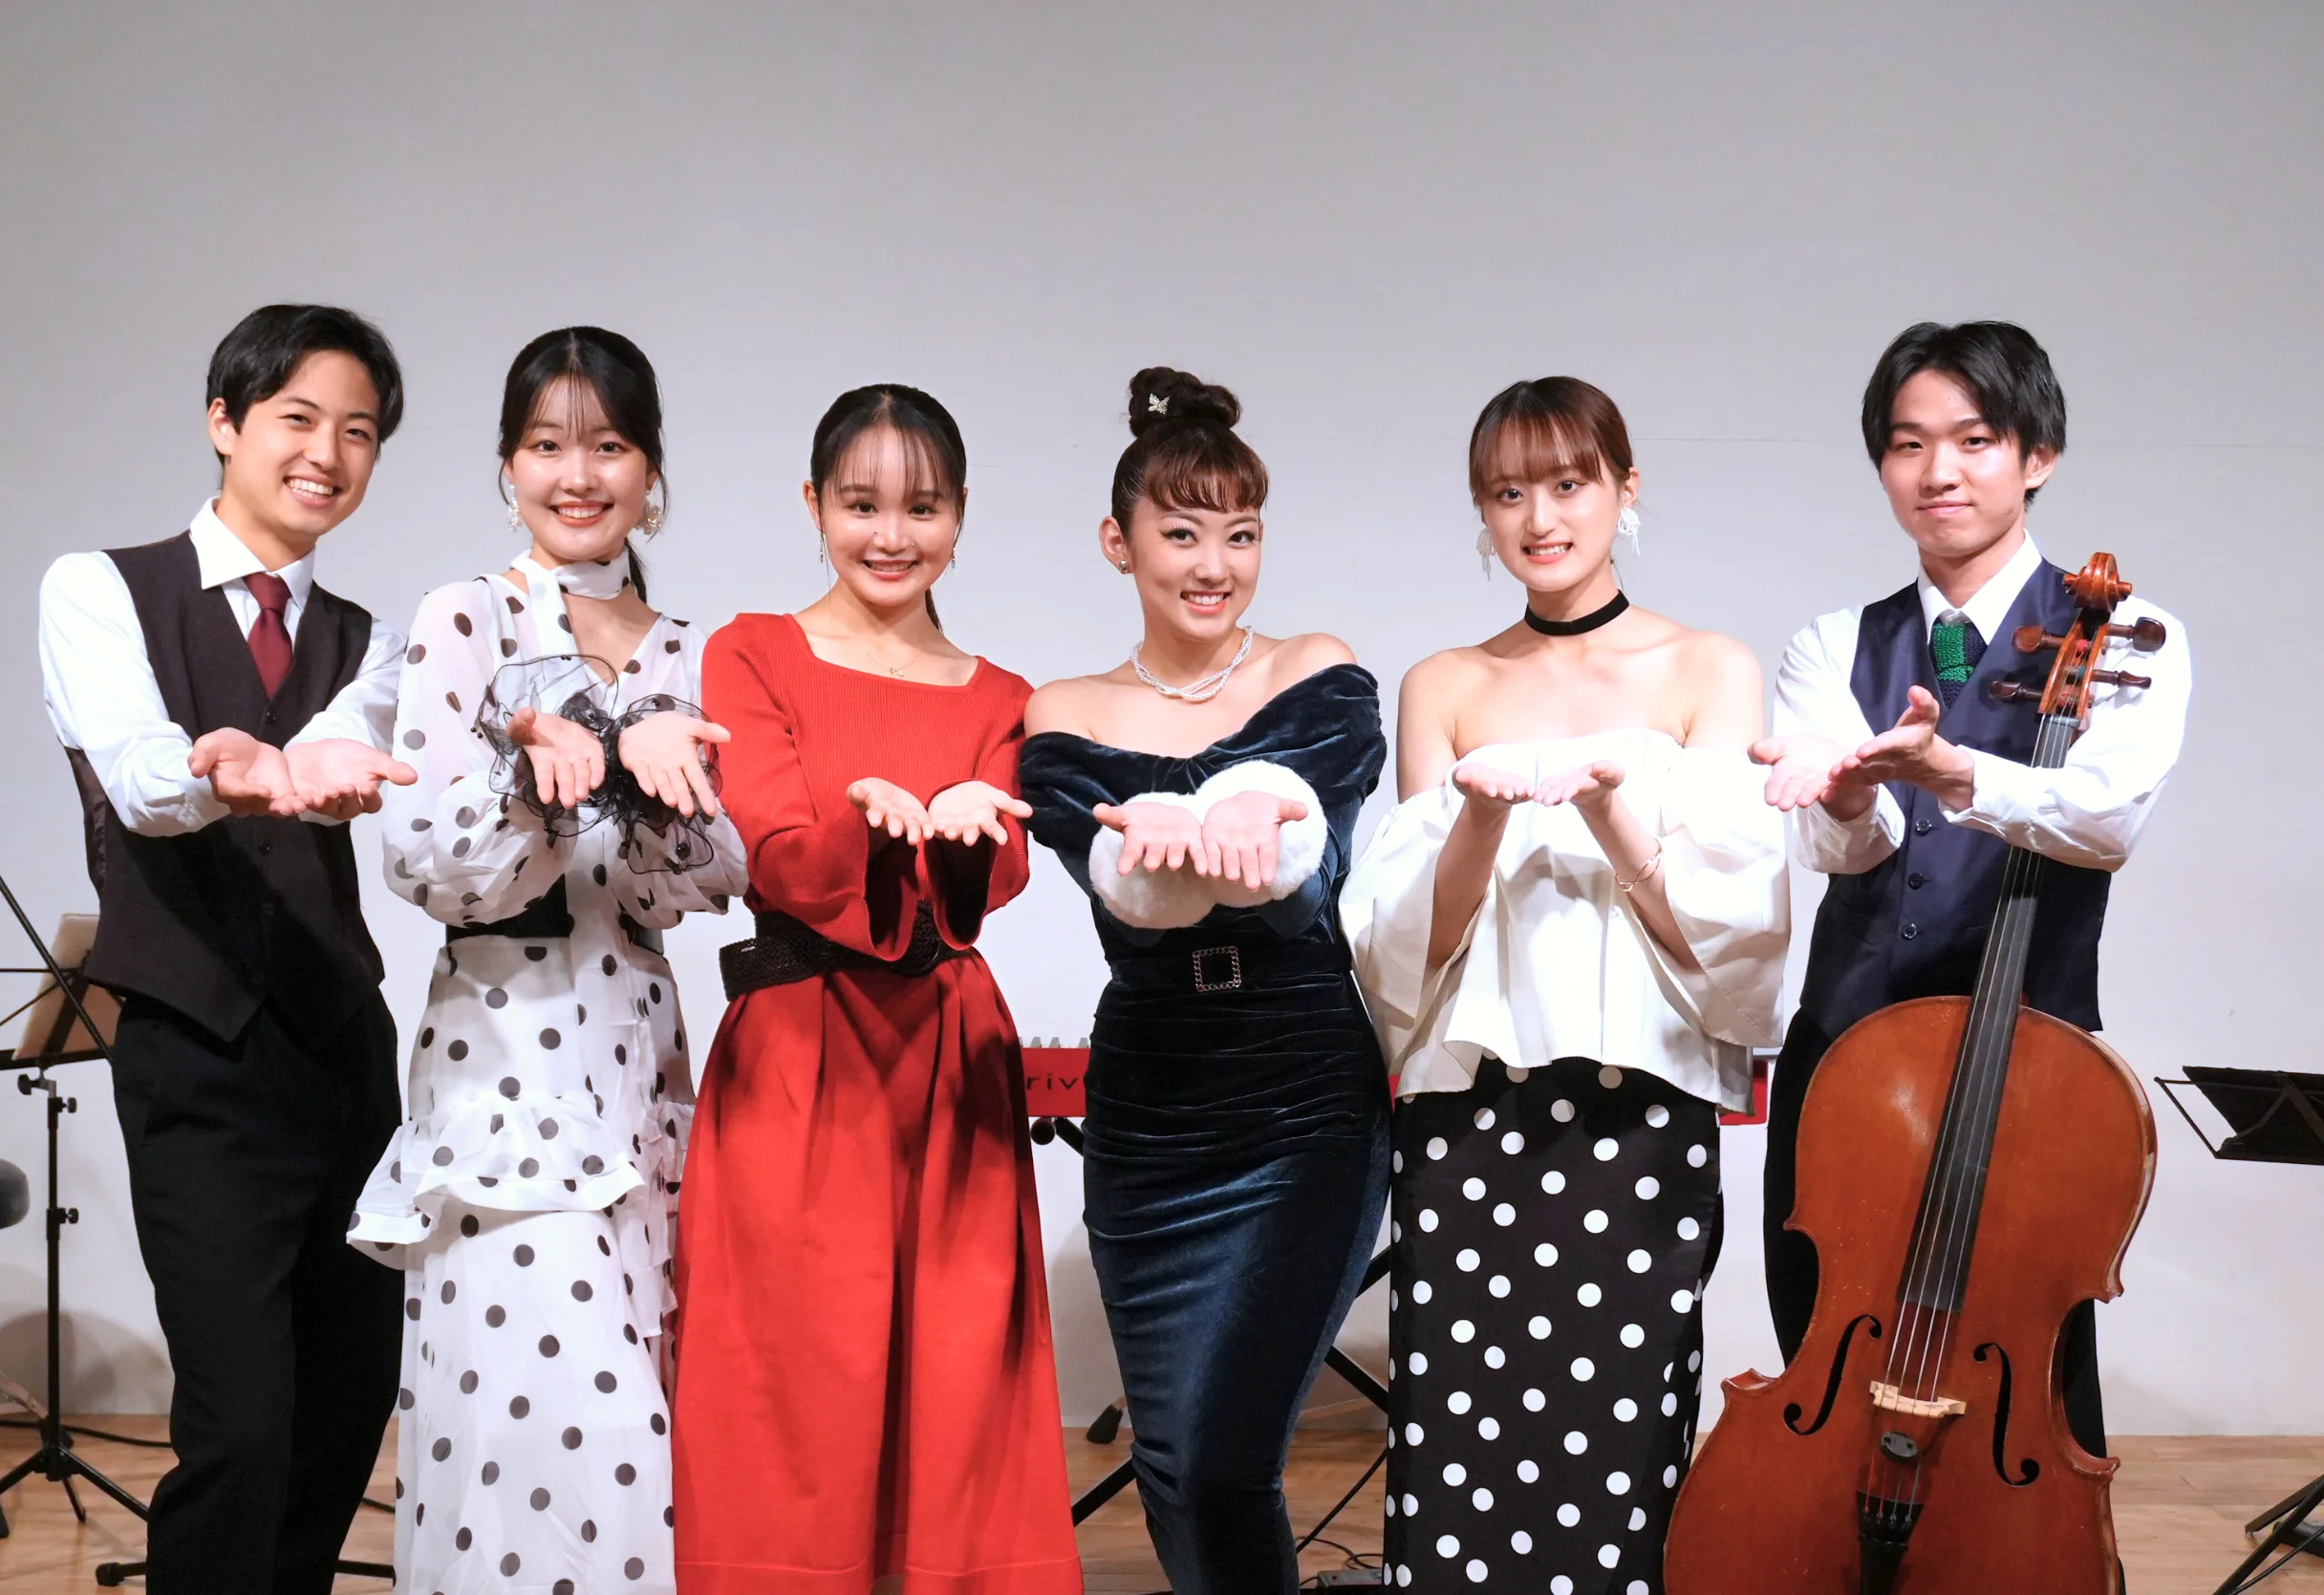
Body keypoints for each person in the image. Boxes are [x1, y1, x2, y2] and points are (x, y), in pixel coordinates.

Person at [1342, 377, 1789, 1592]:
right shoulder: (1442, 682)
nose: (1539, 517)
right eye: (1507, 492)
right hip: (1468, 1115)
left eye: (1568, 482)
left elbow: (1721, 935)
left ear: (1624, 487)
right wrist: (1481, 817)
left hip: (1635, 1113)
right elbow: (1413, 950)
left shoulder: (1707, 666)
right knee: (1457, 1431)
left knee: (1620, 1433)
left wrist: (1605, 805)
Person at [345, 327, 746, 1593]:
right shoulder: (467, 615)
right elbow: (427, 859)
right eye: (546, 444)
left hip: (640, 1062)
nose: (578, 475)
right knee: (533, 1429)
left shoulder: (690, 646)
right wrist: (538, 777)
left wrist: (662, 788)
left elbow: (702, 880)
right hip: (502, 1058)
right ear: (508, 464)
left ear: (651, 468)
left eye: (608, 445)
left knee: (640, 1428)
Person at [1752, 320, 2190, 1467]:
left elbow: (2104, 819)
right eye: (1907, 445)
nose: (1936, 471)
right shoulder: (1831, 643)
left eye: (1973, 439)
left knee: (2032, 1354)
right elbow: (1846, 850)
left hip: (2033, 1059)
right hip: (1848, 1049)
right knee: (1818, 1326)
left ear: (2037, 454)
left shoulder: (2131, 635)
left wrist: (1956, 771)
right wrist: (1850, 795)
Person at [670, 385, 1081, 1595]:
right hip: (799, 1049)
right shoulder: (751, 651)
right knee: (794, 1371)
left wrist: (955, 836)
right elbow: (779, 850)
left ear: (961, 514)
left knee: (960, 1368)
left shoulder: (1003, 696)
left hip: (950, 1055)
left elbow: (1001, 870)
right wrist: (878, 830)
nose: (890, 535)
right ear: (813, 505)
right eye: (861, 505)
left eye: (922, 507)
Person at [37, 303, 419, 1594]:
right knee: (241, 1423)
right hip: (194, 1048)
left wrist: (318, 764)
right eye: (298, 418)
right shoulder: (102, 587)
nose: (327, 454)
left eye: (358, 432)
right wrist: (233, 773)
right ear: (224, 420)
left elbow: (363, 747)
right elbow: (141, 772)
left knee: (344, 1405)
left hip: (343, 1052)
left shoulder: (370, 639)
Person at [1019, 369, 1390, 1594]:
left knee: (1228, 1460)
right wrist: (1190, 842)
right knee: (1173, 1464)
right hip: (1152, 1104)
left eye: (1240, 533)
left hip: (1301, 1095)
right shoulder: (1064, 711)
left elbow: (1303, 878)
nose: (1214, 564)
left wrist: (1250, 828)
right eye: (1181, 533)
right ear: (1117, 541)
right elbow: (1127, 903)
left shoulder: (1314, 670)